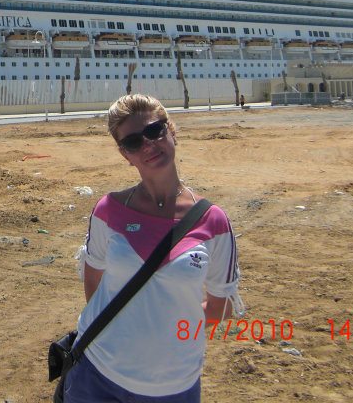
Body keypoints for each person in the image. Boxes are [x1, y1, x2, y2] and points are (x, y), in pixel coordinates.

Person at [65, 94, 242, 403]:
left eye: (154, 130)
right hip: (96, 373)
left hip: (173, 385)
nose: (148, 144)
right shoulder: (108, 210)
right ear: (125, 154)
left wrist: (167, 326)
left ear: (171, 131)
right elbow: (93, 282)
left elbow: (221, 307)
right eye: (133, 142)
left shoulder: (214, 221)